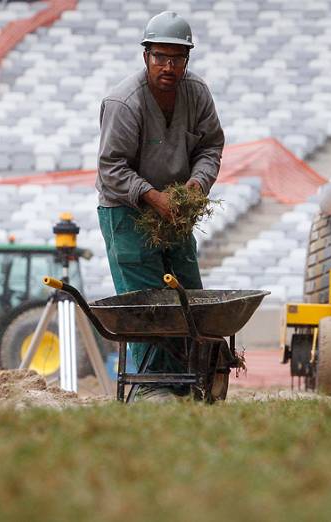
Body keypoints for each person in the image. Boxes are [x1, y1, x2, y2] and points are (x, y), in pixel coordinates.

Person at [96, 11, 224, 396]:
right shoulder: (124, 102)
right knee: (149, 304)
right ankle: (153, 389)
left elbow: (210, 146)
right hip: (127, 211)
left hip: (176, 211)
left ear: (187, 60)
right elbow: (110, 169)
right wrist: (152, 197)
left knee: (187, 296)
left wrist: (197, 185)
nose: (168, 66)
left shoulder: (197, 93)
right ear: (145, 56)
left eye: (177, 58)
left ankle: (191, 383)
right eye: (160, 57)